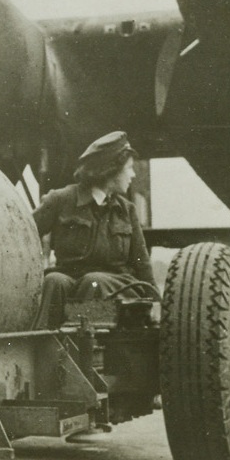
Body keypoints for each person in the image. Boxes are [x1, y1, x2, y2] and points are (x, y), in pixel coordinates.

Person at [32, 131, 158, 328]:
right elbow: (25, 233)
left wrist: (156, 302)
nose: (133, 175)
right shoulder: (61, 200)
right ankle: (42, 341)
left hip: (117, 290)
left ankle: (83, 342)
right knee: (54, 281)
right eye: (129, 168)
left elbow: (142, 263)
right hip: (72, 280)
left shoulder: (127, 210)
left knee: (93, 281)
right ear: (111, 170)